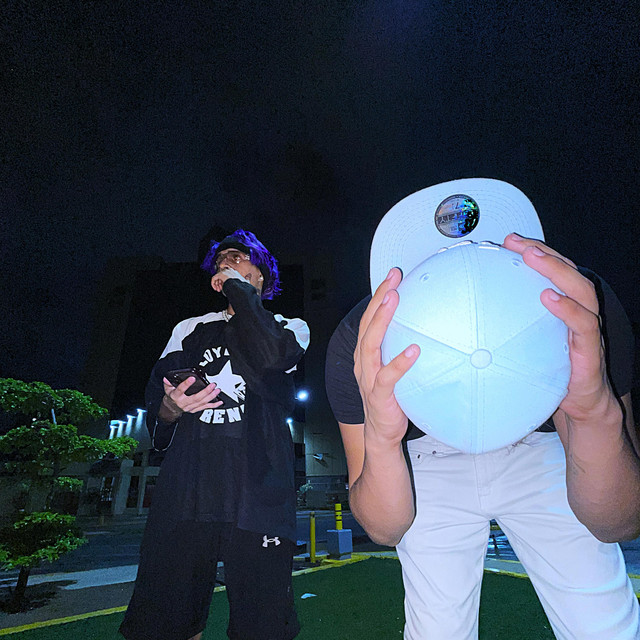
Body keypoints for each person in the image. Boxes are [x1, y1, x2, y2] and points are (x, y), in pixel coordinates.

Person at [325, 179, 640, 639]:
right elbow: (384, 527)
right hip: (422, 454)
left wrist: (592, 412)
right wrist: (384, 440)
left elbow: (621, 520)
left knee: (603, 624)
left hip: (543, 439)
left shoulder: (580, 308)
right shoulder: (359, 340)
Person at [120, 229, 309, 640]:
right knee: (165, 620)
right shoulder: (190, 328)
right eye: (222, 260)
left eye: (238, 257)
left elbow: (270, 357)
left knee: (263, 625)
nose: (226, 262)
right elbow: (160, 403)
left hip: (259, 491)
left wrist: (240, 291)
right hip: (187, 488)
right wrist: (171, 407)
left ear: (261, 272)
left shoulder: (289, 327)